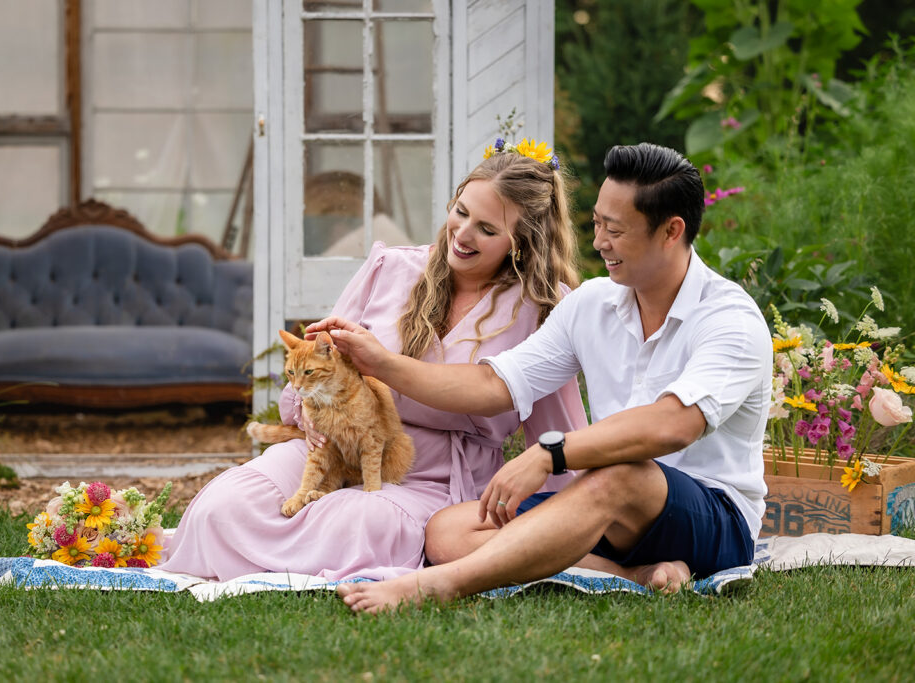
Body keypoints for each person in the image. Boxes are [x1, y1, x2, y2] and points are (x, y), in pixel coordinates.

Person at [314, 142, 772, 612]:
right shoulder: (591, 303)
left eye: (615, 230)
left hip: (711, 518)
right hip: (606, 506)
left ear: (671, 231)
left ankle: (439, 585)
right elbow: (495, 385)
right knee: (449, 530)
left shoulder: (730, 320)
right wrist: (381, 363)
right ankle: (631, 575)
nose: (599, 242)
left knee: (623, 473)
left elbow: (673, 425)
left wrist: (550, 453)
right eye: (596, 223)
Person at [158, 143, 588, 582]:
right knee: (222, 506)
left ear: (521, 242)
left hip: (431, 475)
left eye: (487, 229)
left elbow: (559, 433)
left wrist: (578, 516)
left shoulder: (542, 308)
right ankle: (278, 548)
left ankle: (277, 554)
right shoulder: (390, 268)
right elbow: (311, 372)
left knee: (360, 523)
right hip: (331, 447)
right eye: (460, 212)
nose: (462, 234)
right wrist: (311, 419)